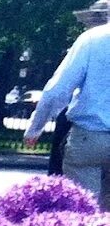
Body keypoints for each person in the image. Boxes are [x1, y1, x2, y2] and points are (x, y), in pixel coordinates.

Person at [25, 20, 110, 208]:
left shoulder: (91, 39)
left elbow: (58, 91)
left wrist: (35, 128)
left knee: (83, 212)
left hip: (90, 137)